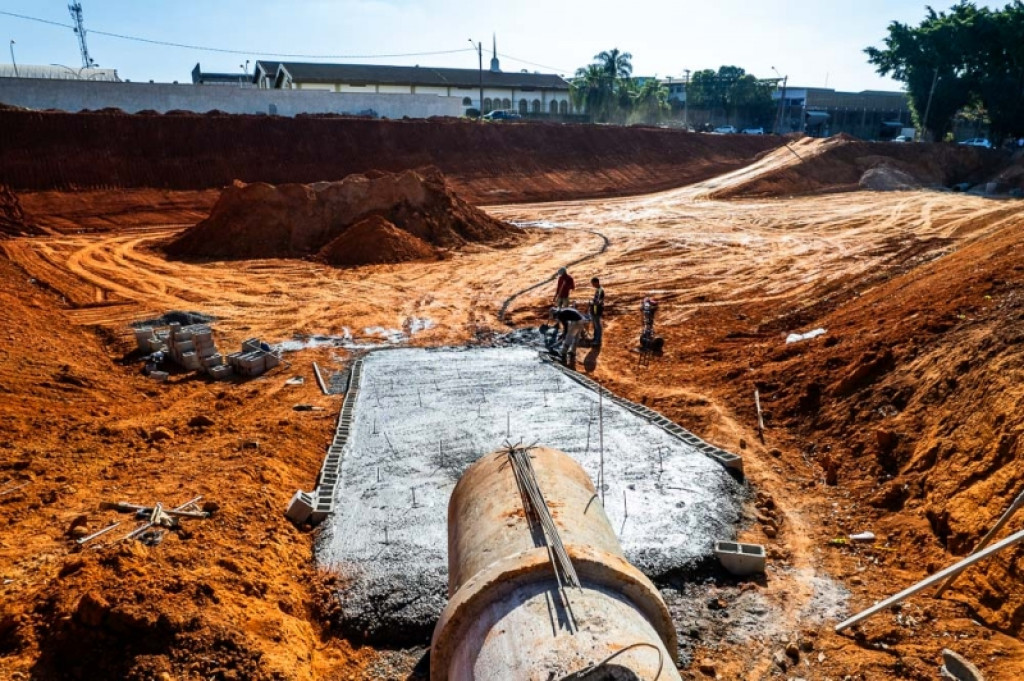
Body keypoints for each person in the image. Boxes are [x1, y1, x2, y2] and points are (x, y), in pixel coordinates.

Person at [589, 277, 605, 346]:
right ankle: (595, 338)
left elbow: (599, 301)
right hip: (595, 309)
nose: (592, 285)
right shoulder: (598, 289)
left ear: (596, 282)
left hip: (597, 310)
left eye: (593, 283)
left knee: (598, 326)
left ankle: (598, 341)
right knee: (595, 325)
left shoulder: (601, 290)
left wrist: (592, 303)